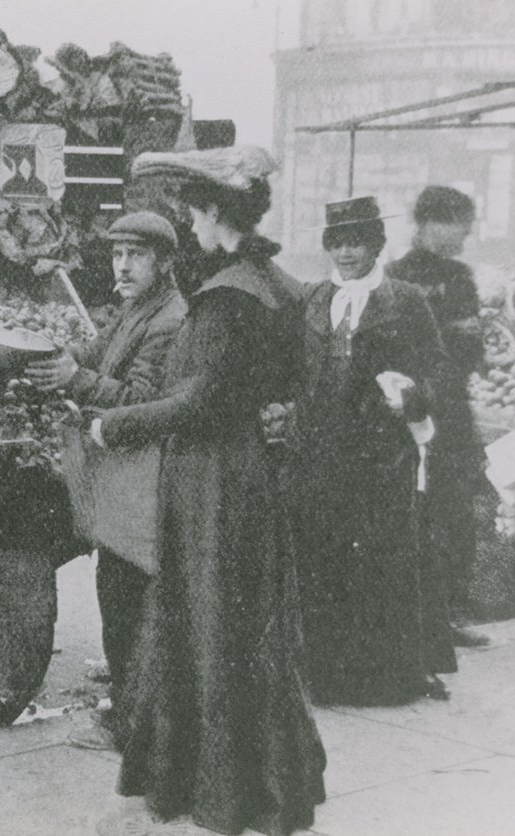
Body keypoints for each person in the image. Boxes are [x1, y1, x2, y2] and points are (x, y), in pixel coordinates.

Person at [88, 146, 326, 836]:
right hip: (240, 473)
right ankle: (247, 783)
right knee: (236, 629)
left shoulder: (229, 297)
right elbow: (276, 384)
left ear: (218, 213)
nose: (188, 225)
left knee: (210, 625)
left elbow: (198, 402)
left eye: (193, 212)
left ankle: (224, 795)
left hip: (215, 482)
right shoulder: (270, 281)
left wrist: (115, 424)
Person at [25, 211, 187, 750]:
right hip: (120, 475)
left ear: (163, 263)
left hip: (143, 477)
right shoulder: (134, 308)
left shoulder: (169, 319)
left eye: (135, 256)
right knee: (118, 588)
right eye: (117, 255)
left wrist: (79, 380)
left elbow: (144, 401)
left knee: (127, 591)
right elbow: (96, 354)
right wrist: (63, 359)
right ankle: (134, 694)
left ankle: (132, 725)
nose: (122, 266)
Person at [291, 196, 456, 705]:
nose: (345, 252)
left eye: (356, 242)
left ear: (375, 245)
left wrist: (410, 396)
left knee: (380, 566)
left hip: (380, 458)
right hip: (320, 456)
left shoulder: (403, 299)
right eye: (337, 242)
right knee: (324, 561)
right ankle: (326, 677)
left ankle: (385, 679)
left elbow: (438, 370)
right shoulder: (313, 298)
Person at [386, 186, 489, 647]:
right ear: (428, 222)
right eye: (458, 224)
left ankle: (447, 614)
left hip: (445, 414)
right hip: (411, 412)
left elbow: (469, 349)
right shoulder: (396, 276)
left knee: (453, 514)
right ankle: (419, 615)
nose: (465, 235)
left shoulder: (458, 276)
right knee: (417, 511)